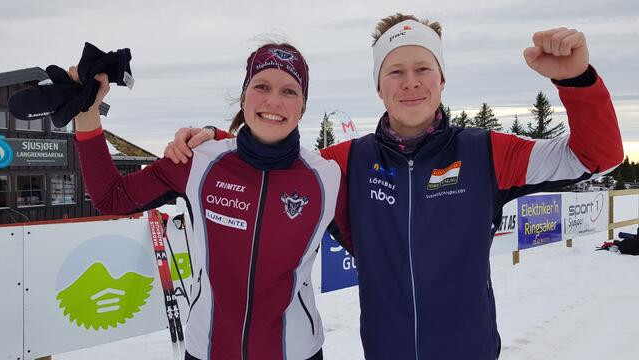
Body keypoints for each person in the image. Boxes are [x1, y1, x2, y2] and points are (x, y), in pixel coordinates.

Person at [165, 14, 623, 360]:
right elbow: (275, 158)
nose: (410, 83)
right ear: (378, 88)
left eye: (422, 69)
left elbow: (596, 156)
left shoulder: (487, 152)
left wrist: (576, 80)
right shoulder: (348, 161)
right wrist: (211, 142)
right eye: (395, 72)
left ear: (441, 79)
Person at [73, 42, 348, 360]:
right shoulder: (197, 161)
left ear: (302, 107)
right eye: (262, 86)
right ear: (244, 96)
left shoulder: (327, 179)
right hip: (207, 350)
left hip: (298, 353)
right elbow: (111, 197)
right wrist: (87, 113)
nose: (274, 100)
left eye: (290, 91)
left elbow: (379, 254)